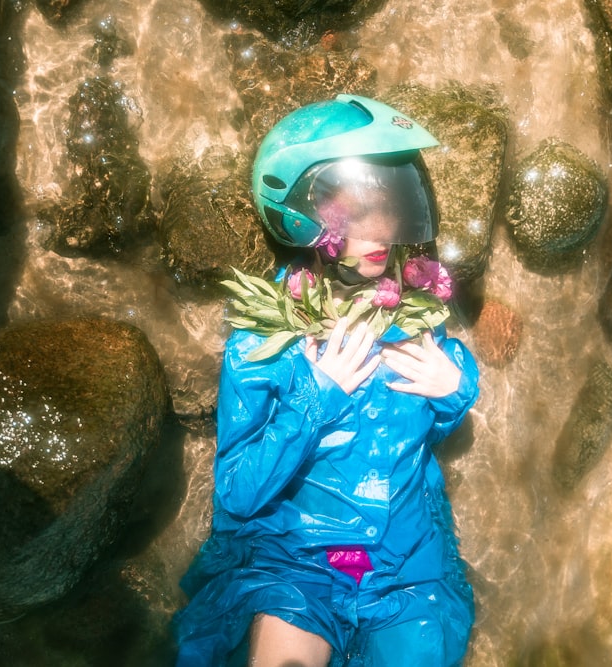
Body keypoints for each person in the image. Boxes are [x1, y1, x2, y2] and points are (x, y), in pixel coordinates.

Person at [173, 94, 480, 666]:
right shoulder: (263, 346)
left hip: (407, 567)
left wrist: (454, 391)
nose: (382, 232)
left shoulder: (413, 315)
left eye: (388, 210)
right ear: (301, 218)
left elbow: (441, 415)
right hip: (302, 562)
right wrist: (315, 398)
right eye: (356, 214)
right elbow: (237, 494)